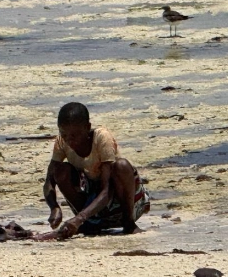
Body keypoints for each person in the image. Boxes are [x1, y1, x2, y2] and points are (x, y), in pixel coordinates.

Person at [36, 102, 151, 241]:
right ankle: (89, 225)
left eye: (75, 135)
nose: (70, 141)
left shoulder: (101, 138)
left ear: (87, 127)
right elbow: (49, 180)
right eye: (64, 135)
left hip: (120, 200)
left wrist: (79, 218)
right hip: (92, 202)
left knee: (121, 165)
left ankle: (129, 224)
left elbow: (107, 190)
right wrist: (54, 207)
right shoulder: (62, 141)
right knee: (60, 170)